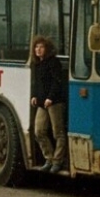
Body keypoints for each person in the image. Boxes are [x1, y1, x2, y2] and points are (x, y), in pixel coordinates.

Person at [30, 35, 67, 173]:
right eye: (36, 47)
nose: (38, 50)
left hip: (54, 102)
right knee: (39, 131)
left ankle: (58, 161)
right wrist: (34, 96)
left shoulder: (53, 62)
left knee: (58, 132)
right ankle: (49, 158)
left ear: (47, 49)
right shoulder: (37, 64)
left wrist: (50, 98)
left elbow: (57, 82)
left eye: (41, 47)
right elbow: (37, 83)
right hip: (42, 102)